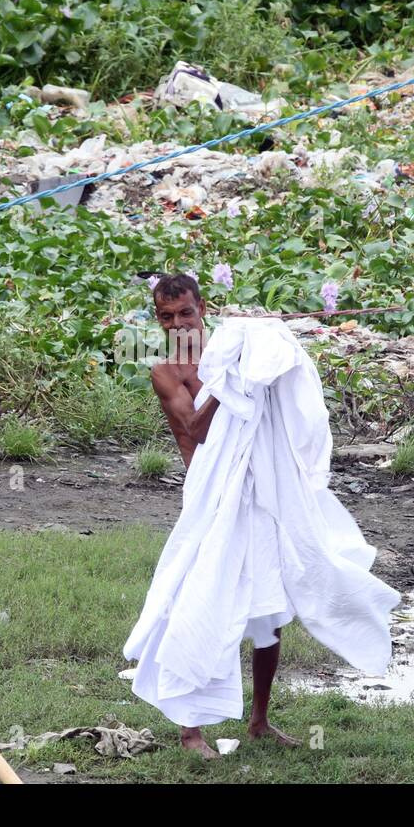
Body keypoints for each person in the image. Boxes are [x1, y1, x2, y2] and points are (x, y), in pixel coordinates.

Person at [145, 273, 298, 758]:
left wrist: (257, 350)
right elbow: (196, 426)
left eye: (185, 313)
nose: (178, 323)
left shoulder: (235, 350)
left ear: (201, 307)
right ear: (158, 320)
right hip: (209, 498)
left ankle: (259, 721)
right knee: (202, 604)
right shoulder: (166, 371)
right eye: (166, 317)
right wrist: (229, 378)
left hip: (257, 492)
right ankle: (191, 732)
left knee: (267, 608)